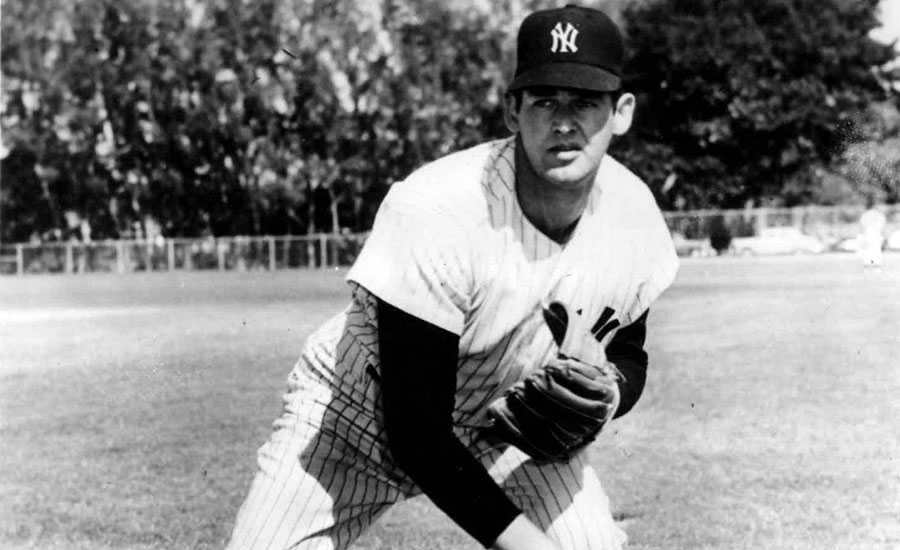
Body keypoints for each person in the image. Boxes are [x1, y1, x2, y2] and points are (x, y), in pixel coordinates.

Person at [225, 5, 678, 550]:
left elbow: (629, 351)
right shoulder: (439, 207)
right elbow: (418, 433)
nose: (564, 121)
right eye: (544, 100)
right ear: (512, 110)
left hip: (507, 431)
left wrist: (611, 392)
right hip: (352, 418)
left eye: (585, 101)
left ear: (621, 111)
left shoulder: (633, 217)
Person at [859, 197, 886, 268]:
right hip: (877, 233)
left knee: (868, 249)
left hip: (868, 233)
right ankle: (875, 262)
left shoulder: (865, 215)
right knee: (876, 249)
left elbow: (862, 225)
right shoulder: (879, 215)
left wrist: (862, 235)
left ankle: (869, 262)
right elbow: (882, 224)